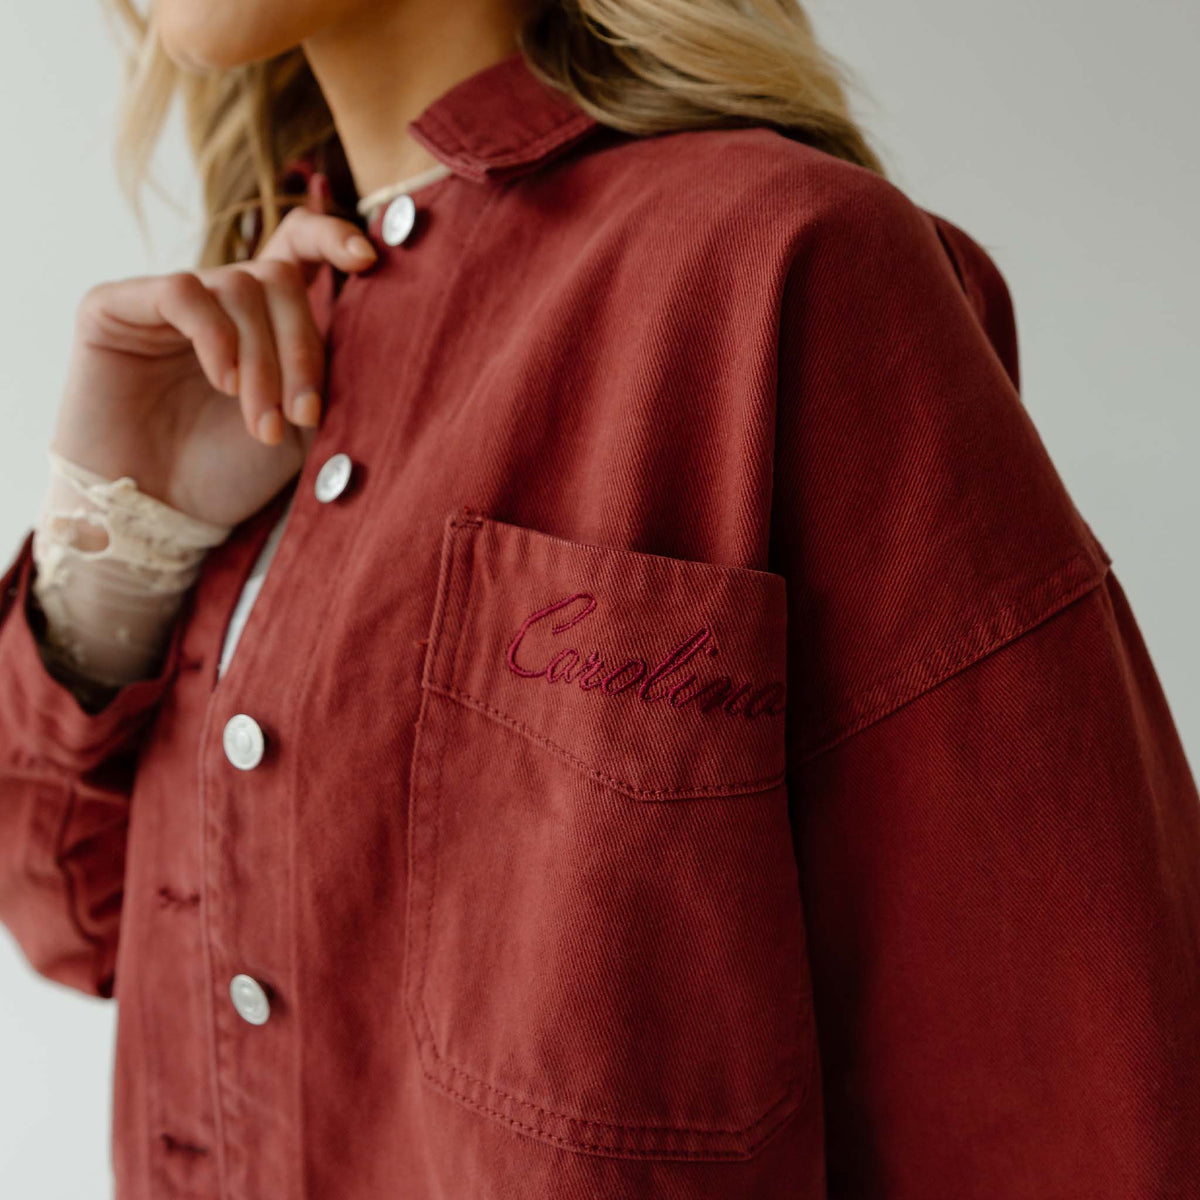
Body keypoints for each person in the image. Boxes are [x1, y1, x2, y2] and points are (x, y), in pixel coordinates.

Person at [0, 0, 1197, 1196]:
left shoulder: (783, 267)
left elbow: (1071, 1101)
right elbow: (83, 928)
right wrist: (114, 546)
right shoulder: (246, 350)